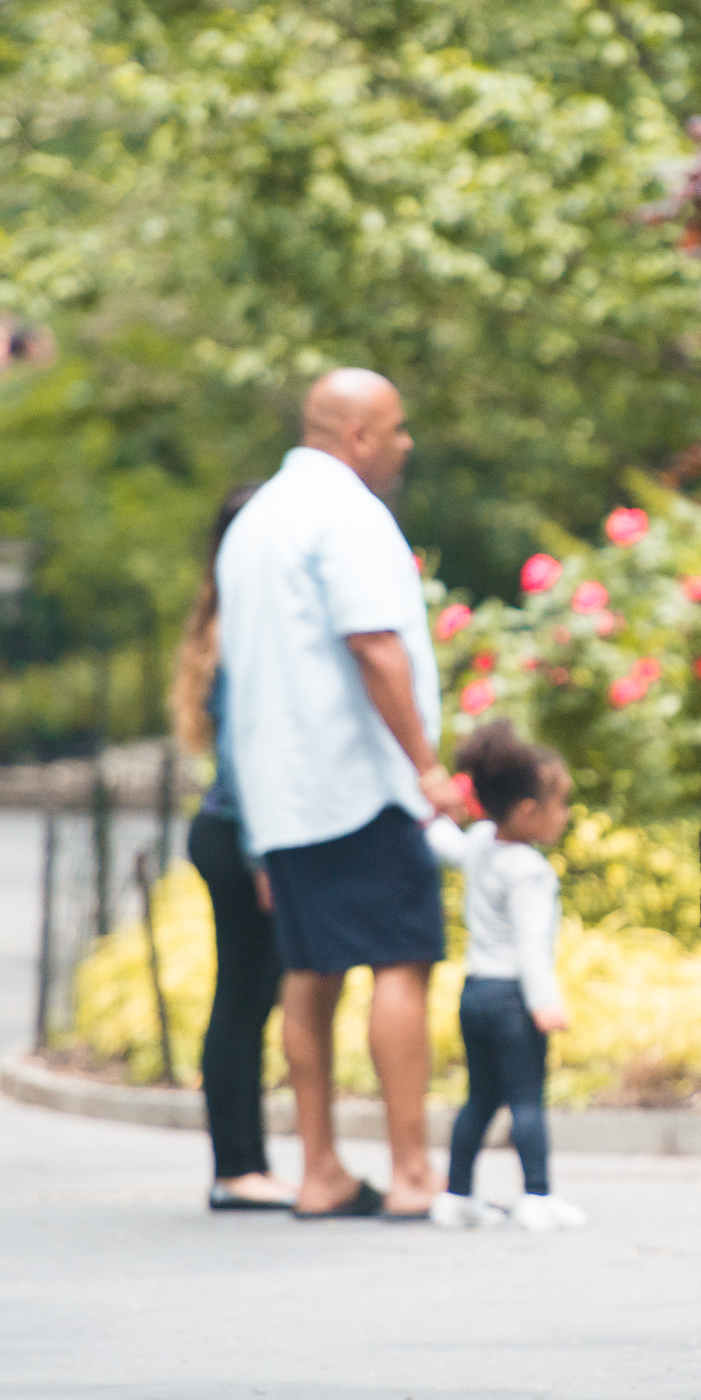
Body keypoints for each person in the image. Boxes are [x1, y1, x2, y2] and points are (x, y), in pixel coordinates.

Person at [217, 369, 469, 1222]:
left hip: (281, 791)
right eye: (395, 429)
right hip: (357, 783)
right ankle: (410, 1173)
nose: (405, 444)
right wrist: (425, 766)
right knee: (402, 961)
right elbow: (375, 645)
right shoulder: (348, 514)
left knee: (310, 970)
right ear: (357, 434)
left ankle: (319, 1166)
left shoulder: (254, 521)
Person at [171, 484, 296, 1213]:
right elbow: (246, 757)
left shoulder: (222, 609)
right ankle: (237, 1167)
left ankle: (241, 1163)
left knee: (248, 998)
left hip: (227, 827)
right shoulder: (236, 626)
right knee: (244, 1000)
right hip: (238, 834)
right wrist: (261, 856)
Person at [425, 722, 585, 1233]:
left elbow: (440, 842)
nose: (565, 815)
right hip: (515, 997)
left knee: (480, 1098)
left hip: (475, 993)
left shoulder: (478, 843)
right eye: (559, 805)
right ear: (527, 811)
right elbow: (531, 945)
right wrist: (545, 1002)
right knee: (525, 1099)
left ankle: (457, 1195)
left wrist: (430, 814)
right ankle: (537, 1196)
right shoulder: (531, 871)